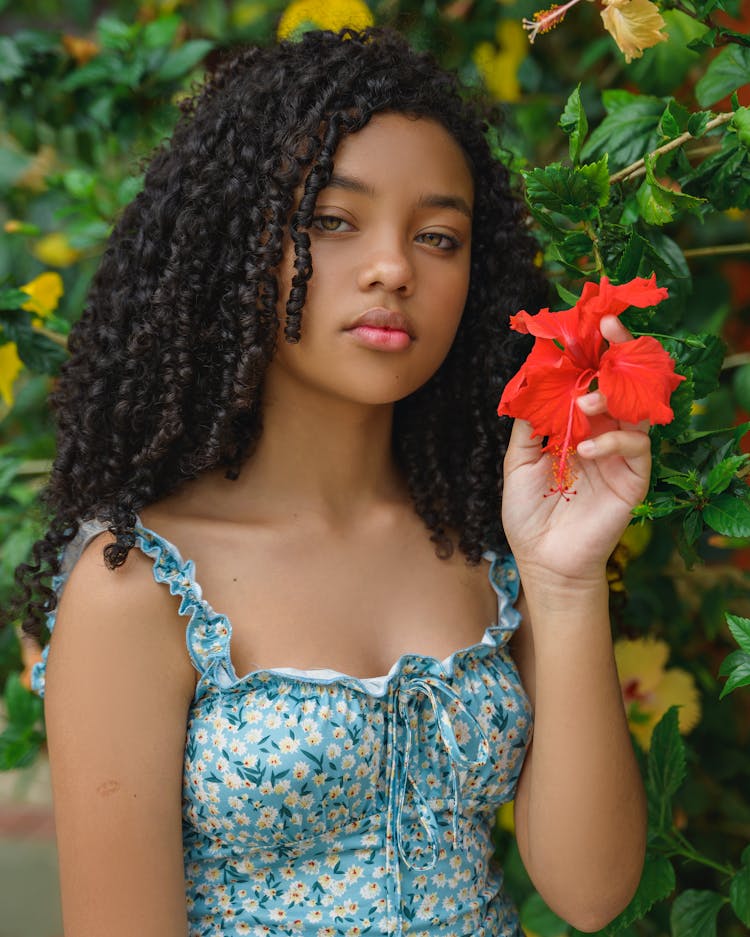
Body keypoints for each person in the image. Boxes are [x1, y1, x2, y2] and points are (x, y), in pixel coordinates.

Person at [16, 27, 648, 937]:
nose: (393, 267)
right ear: (238, 243)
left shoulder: (483, 536)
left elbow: (591, 895)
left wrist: (565, 580)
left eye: (438, 236)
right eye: (332, 220)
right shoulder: (136, 583)